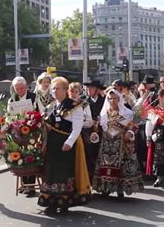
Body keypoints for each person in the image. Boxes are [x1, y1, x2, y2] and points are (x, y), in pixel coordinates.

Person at [38, 77, 90, 214]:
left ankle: (64, 201)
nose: (54, 91)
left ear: (66, 90)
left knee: (63, 173)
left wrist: (69, 142)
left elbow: (77, 128)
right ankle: (51, 201)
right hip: (52, 145)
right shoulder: (52, 106)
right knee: (51, 173)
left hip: (65, 145)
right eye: (53, 88)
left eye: (58, 88)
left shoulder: (74, 106)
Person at [93, 89, 144, 199]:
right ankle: (105, 187)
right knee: (106, 165)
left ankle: (120, 189)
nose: (112, 101)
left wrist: (129, 133)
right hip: (107, 143)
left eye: (115, 98)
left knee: (122, 165)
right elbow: (99, 128)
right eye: (110, 99)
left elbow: (133, 127)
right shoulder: (104, 114)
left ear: (119, 99)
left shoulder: (127, 113)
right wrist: (95, 134)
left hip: (122, 143)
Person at [8, 76, 37, 197]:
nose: (19, 90)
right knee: (21, 157)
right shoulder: (12, 99)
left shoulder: (34, 97)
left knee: (31, 155)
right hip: (18, 132)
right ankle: (24, 184)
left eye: (21, 88)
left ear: (25, 87)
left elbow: (39, 111)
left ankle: (31, 186)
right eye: (17, 88)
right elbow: (9, 115)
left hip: (32, 130)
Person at [82, 80, 106, 181]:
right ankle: (91, 175)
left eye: (90, 88)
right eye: (87, 88)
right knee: (89, 151)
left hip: (102, 129)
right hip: (89, 129)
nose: (88, 90)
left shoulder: (104, 100)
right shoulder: (84, 101)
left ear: (97, 90)